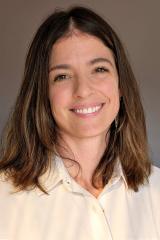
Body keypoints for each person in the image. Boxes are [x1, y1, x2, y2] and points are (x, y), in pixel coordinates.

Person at [0, 5, 159, 240]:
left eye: (99, 69)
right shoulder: (4, 198)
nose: (83, 90)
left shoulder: (156, 192)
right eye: (62, 76)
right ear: (42, 93)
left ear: (120, 84)